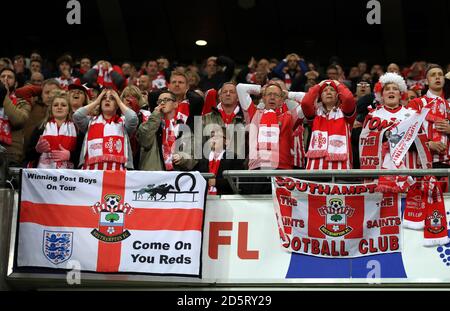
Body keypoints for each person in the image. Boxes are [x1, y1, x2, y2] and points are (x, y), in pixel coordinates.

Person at [73, 88, 138, 170]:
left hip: (118, 172)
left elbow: (133, 118)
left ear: (117, 104)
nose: (107, 100)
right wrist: (96, 102)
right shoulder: (90, 121)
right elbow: (77, 116)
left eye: (112, 98)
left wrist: (119, 101)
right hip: (91, 172)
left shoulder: (123, 122)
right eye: (104, 98)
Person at [301, 79, 356, 169]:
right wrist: (319, 84)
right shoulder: (315, 114)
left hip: (341, 169)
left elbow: (348, 98)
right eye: (325, 90)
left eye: (332, 90)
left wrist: (337, 83)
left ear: (338, 96)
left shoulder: (345, 113)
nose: (328, 92)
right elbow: (305, 103)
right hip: (315, 170)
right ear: (320, 96)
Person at [138, 91, 196, 171]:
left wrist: (182, 158)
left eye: (166, 100)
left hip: (174, 178)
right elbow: (144, 140)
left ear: (175, 104)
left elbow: (193, 158)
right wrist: (155, 115)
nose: (162, 103)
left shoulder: (183, 128)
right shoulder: (150, 123)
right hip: (153, 176)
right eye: (159, 101)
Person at [407, 64, 450, 168]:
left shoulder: (449, 105)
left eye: (440, 74)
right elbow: (406, 133)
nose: (437, 77)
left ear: (444, 80)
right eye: (433, 75)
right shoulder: (416, 103)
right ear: (426, 81)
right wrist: (428, 144)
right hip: (424, 163)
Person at [25, 90, 77, 168]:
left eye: (63, 105)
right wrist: (37, 150)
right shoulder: (41, 128)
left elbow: (82, 155)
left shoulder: (77, 129)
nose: (59, 107)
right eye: (55, 105)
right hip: (43, 176)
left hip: (68, 176)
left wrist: (70, 155)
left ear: (69, 110)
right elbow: (28, 155)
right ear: (51, 109)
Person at [0, 68, 32, 166]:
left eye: (9, 77)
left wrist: (3, 95)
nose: (5, 79)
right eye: (2, 76)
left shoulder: (23, 102)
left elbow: (19, 121)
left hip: (11, 155)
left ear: (16, 84)